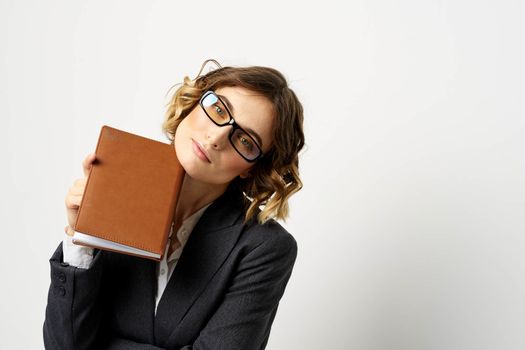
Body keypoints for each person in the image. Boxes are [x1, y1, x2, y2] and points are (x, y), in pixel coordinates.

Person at [43, 59, 305, 350]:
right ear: (194, 101)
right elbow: (64, 344)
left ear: (252, 168)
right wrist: (81, 237)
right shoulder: (120, 192)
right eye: (218, 109)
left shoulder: (263, 248)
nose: (216, 137)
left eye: (245, 140)